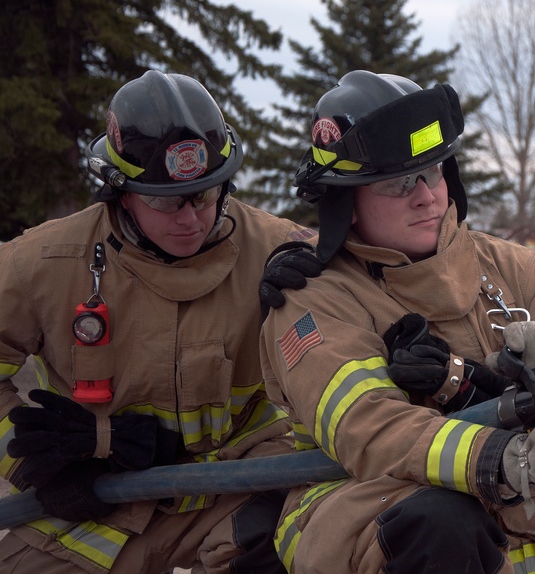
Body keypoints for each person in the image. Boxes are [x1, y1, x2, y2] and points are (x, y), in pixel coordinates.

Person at [258, 70, 535, 573]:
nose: (426, 195)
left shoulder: (517, 270)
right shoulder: (313, 298)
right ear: (347, 201)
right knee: (441, 519)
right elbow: (369, 428)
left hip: (524, 549)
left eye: (433, 171)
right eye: (398, 182)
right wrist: (508, 462)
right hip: (366, 526)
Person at [0, 70, 317, 573]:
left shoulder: (283, 251)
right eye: (165, 202)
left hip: (243, 486)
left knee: (312, 542)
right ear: (120, 194)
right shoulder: (44, 262)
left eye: (205, 195)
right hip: (101, 497)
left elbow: (372, 309)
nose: (190, 220)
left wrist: (325, 289)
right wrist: (34, 466)